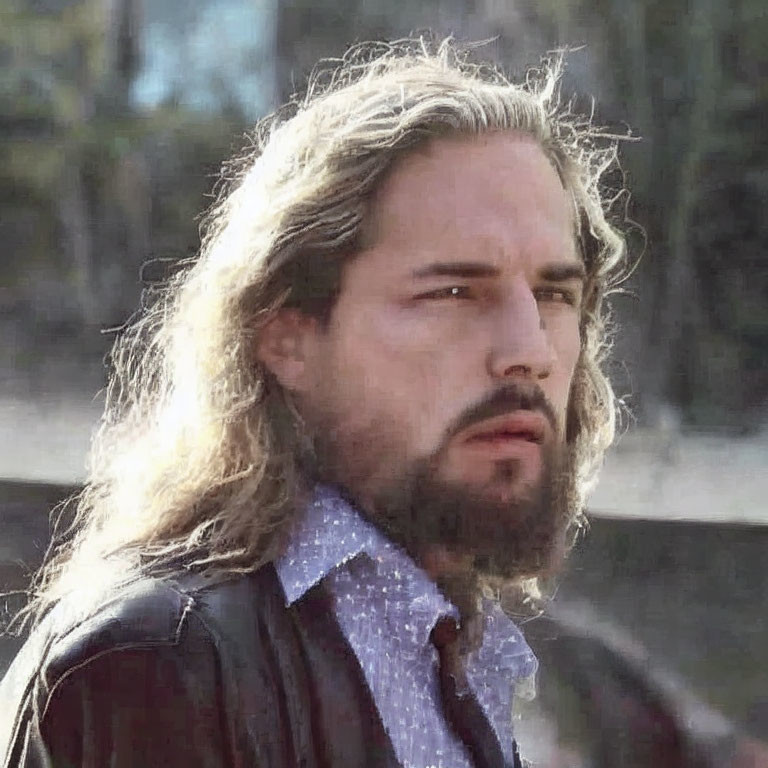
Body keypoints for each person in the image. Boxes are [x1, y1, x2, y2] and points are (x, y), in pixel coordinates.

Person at [0, 39, 626, 767]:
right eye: (454, 292)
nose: (532, 349)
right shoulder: (156, 662)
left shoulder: (457, 655)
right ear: (287, 337)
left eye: (555, 294)